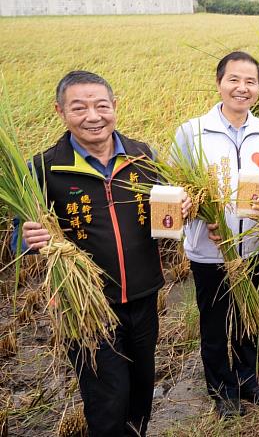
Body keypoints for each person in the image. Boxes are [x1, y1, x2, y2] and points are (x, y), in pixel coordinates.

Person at [20, 70, 189, 436]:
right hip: (87, 306)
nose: (93, 116)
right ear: (60, 111)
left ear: (115, 106)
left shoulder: (143, 156)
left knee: (141, 391)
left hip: (144, 296)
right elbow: (19, 235)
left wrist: (183, 208)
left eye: (101, 105)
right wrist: (27, 237)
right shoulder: (45, 168)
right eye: (79, 107)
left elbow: (167, 208)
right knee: (108, 398)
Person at [174, 51, 259, 418]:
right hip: (210, 249)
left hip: (254, 245)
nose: (242, 88)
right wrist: (195, 210)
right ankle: (220, 389)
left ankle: (248, 380)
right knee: (216, 320)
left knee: (249, 317)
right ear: (219, 82)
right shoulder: (192, 132)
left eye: (250, 81)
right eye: (234, 79)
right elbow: (175, 188)